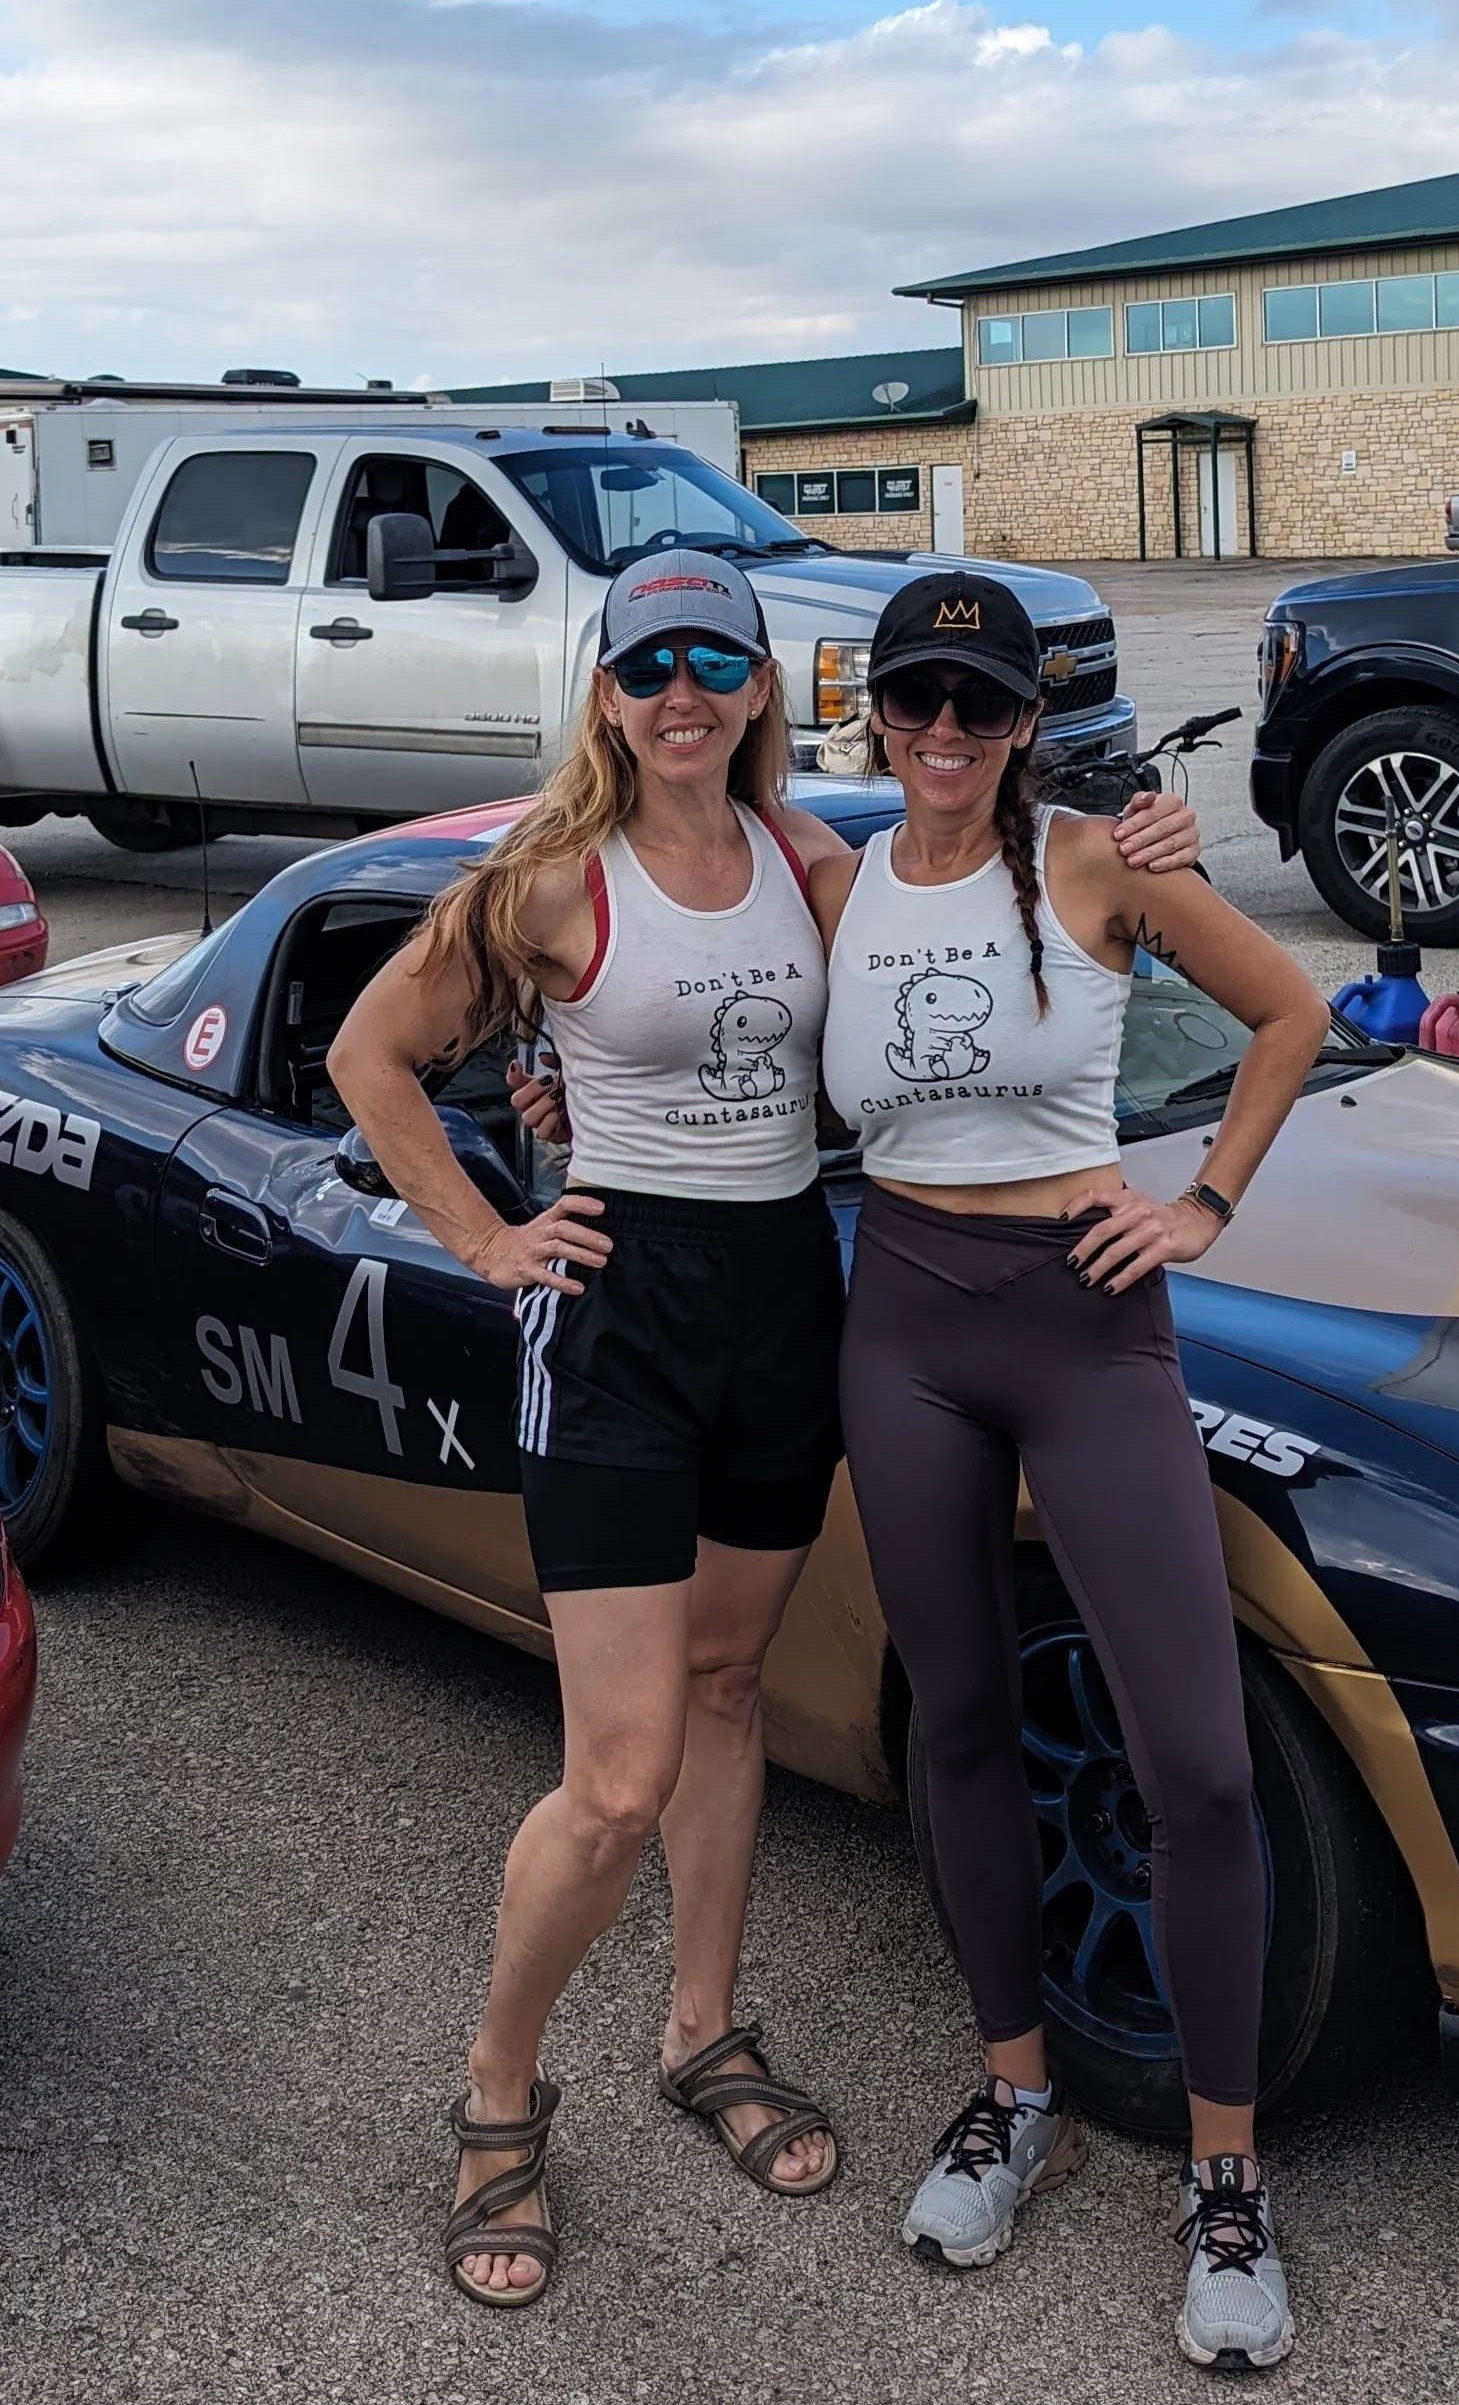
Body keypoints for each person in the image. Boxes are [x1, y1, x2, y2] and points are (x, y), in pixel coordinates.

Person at [325, 551, 1199, 2308]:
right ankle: (499, 2093)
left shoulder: (816, 868)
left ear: (754, 689)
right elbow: (371, 1053)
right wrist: (493, 1239)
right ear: (605, 694)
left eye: (710, 661)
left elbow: (996, 870)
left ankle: (700, 2033)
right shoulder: (553, 881)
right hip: (623, 1321)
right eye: (645, 664)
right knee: (620, 1771)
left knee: (730, 1688)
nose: (679, 693)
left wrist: (1145, 844)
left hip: (789, 1295)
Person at [810, 570, 1327, 2374]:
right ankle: (1011, 2091)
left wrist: (1201, 1203)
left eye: (980, 704)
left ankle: (1224, 2174)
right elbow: (673, 945)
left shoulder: (1103, 858)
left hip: (1087, 1318)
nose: (943, 733)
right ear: (871, 708)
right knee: (956, 1727)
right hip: (904, 1322)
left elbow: (1288, 1015)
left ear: (1029, 721)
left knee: (1189, 1761)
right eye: (914, 700)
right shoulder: (830, 869)